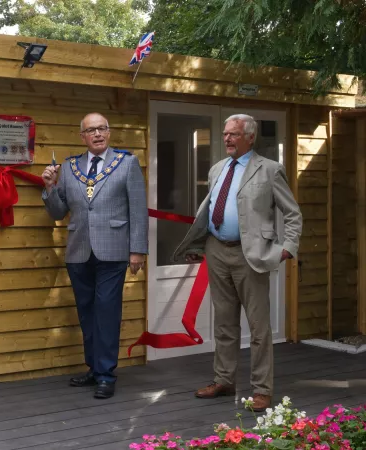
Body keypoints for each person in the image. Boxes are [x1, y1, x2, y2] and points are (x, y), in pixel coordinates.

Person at [173, 114, 302, 412]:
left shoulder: (270, 170)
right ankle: (224, 380)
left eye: (234, 134)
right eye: (226, 134)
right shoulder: (218, 168)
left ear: (250, 137)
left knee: (259, 328)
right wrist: (199, 246)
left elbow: (293, 213)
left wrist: (287, 248)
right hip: (217, 250)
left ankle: (262, 389)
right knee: (224, 323)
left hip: (251, 254)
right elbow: (210, 211)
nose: (228, 139)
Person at [41, 112, 148, 399]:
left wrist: (137, 250)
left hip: (113, 250)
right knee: (87, 312)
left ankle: (106, 374)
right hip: (79, 250)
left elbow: (138, 209)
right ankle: (94, 368)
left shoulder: (127, 163)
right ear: (83, 137)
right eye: (91, 130)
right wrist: (50, 186)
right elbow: (57, 212)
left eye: (102, 129)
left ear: (109, 132)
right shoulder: (70, 166)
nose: (98, 134)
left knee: (107, 311)